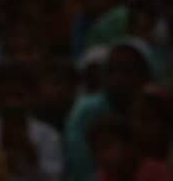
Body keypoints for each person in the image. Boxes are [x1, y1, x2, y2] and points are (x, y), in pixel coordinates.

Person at [64, 39, 157, 181]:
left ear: (144, 75)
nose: (117, 78)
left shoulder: (152, 108)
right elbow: (82, 167)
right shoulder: (86, 110)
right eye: (111, 71)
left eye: (126, 71)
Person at [0, 62, 66, 180]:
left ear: (33, 97)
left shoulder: (48, 135)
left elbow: (55, 177)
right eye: (5, 96)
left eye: (18, 95)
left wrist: (33, 162)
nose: (12, 104)